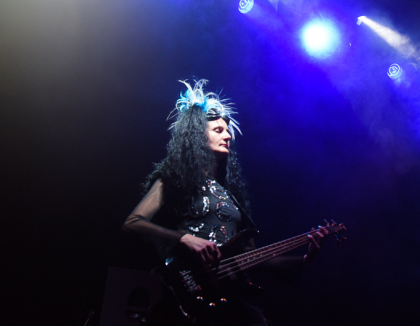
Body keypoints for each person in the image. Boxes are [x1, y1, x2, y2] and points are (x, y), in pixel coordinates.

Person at [123, 80, 328, 325]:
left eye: (228, 131)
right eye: (218, 130)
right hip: (186, 288)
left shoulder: (232, 196)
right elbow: (133, 222)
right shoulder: (174, 179)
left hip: (230, 297)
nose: (228, 136)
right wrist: (184, 238)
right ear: (198, 136)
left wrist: (304, 259)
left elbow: (249, 256)